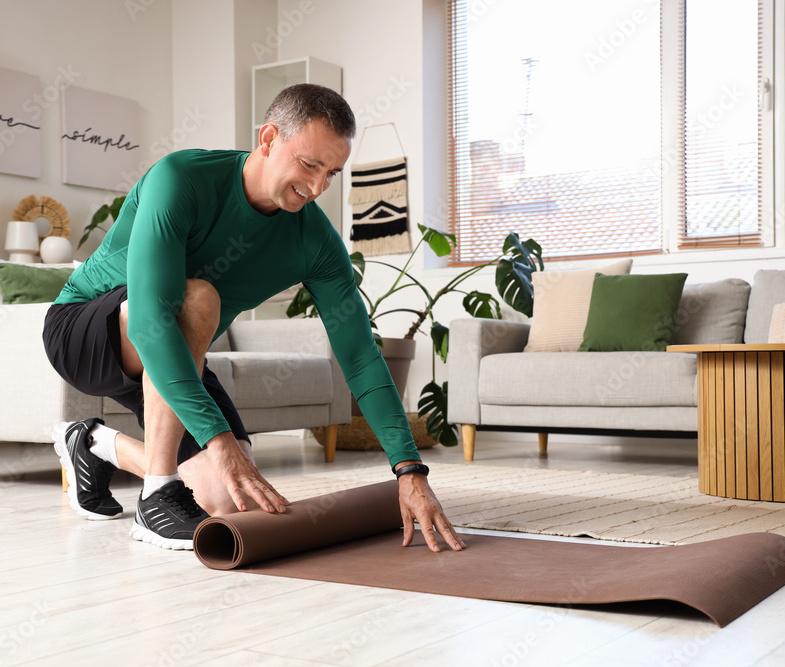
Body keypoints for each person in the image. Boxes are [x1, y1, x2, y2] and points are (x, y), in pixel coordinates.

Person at [42, 83, 467, 553]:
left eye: (332, 173)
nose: (318, 187)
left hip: (176, 355)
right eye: (309, 165)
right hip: (88, 330)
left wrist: (409, 470)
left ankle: (94, 445)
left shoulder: (317, 243)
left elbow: (360, 356)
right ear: (268, 139)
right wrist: (217, 440)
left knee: (228, 499)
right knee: (199, 298)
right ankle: (157, 494)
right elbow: (148, 323)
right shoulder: (181, 178)